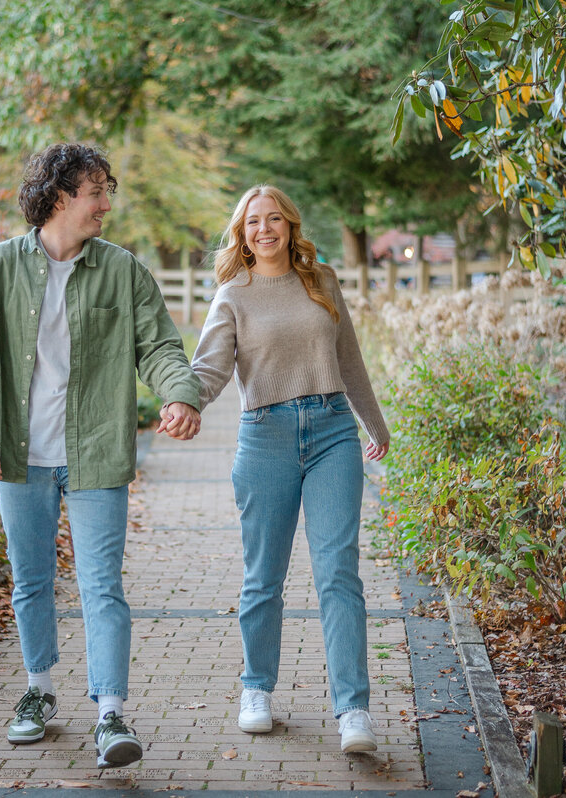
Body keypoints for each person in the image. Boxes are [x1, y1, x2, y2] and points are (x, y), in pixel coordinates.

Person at [0, 142, 201, 768]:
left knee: (101, 586)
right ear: (60, 195)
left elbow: (161, 346)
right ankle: (38, 691)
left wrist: (180, 395)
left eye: (105, 191)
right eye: (96, 192)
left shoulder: (123, 271)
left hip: (94, 452)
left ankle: (111, 712)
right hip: (20, 453)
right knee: (30, 581)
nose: (105, 204)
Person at [188, 185, 389, 753]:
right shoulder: (233, 295)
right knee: (263, 577)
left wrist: (374, 423)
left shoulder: (320, 281)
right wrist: (184, 403)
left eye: (274, 218)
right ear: (242, 231)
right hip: (265, 437)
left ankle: (353, 711)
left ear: (290, 225)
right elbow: (209, 369)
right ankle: (256, 689)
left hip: (332, 432)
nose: (265, 229)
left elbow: (348, 354)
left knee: (339, 575)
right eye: (254, 221)